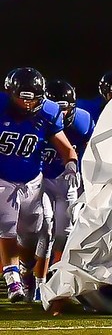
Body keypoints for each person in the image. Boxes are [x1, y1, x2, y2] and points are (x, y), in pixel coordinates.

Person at [0, 68, 80, 302]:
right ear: (10, 93)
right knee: (6, 225)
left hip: (32, 182)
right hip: (3, 178)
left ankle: (26, 267)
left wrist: (71, 165)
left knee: (31, 235)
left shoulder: (48, 112)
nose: (28, 103)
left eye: (33, 98)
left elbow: (66, 148)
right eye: (23, 97)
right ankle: (12, 279)